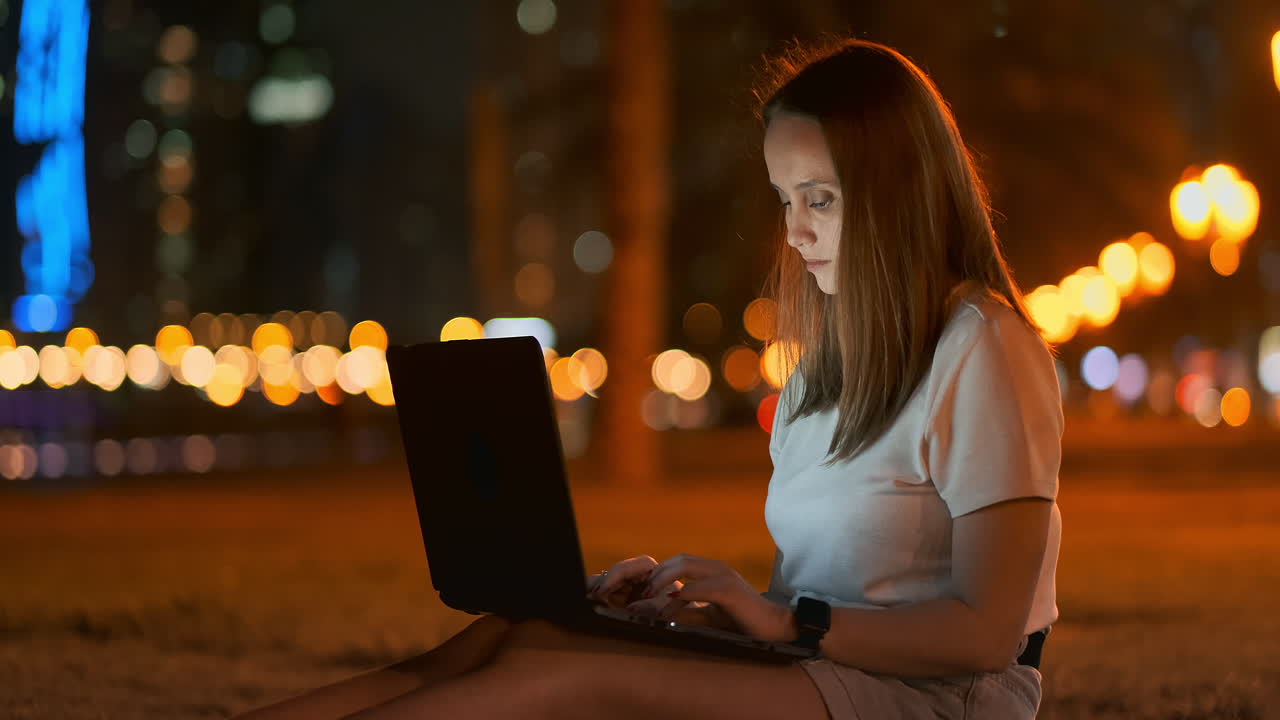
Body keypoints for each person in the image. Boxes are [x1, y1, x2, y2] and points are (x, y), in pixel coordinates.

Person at [237, 37, 1062, 720]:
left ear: (898, 194)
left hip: (939, 699)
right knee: (516, 635)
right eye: (783, 199)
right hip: (824, 666)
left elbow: (985, 634)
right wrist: (703, 616)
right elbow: (820, 595)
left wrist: (781, 621)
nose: (796, 232)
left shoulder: (983, 349)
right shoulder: (825, 370)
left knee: (563, 681)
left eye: (821, 198)